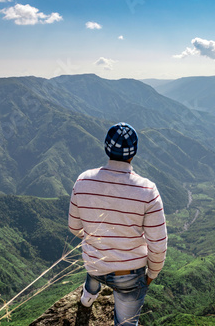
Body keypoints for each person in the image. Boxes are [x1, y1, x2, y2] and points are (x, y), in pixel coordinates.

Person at [68, 122, 167, 326]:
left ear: (107, 148)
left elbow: (74, 227)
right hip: (130, 273)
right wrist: (152, 274)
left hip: (95, 263)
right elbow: (158, 244)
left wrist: (97, 240)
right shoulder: (148, 191)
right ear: (134, 153)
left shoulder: (83, 182)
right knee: (126, 323)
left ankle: (87, 299)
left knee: (94, 276)